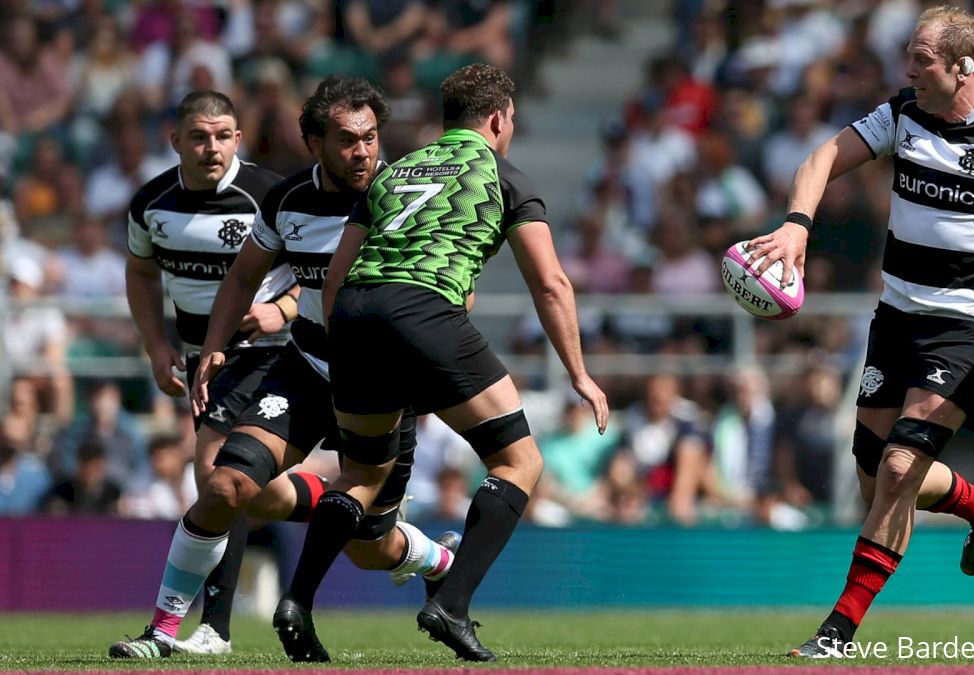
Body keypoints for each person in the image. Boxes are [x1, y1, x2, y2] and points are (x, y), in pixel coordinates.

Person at [746, 6, 974, 657]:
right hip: (895, 324)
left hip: (967, 333)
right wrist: (797, 221)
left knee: (902, 466)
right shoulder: (903, 111)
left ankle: (838, 630)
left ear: (963, 68)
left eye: (921, 59)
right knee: (877, 478)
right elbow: (823, 155)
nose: (908, 68)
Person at [282, 63, 607, 663]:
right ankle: (450, 604)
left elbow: (335, 276)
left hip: (352, 317)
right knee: (520, 460)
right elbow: (553, 285)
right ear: (499, 118)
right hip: (424, 310)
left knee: (359, 476)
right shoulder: (504, 176)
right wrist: (579, 374)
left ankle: (297, 600)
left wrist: (349, 346)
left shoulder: (395, 173)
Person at [186, 76, 458, 663]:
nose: (362, 152)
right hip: (307, 368)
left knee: (368, 547)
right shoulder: (287, 201)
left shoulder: (408, 198)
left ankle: (437, 559)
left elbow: (452, 290)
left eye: (370, 137)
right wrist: (213, 345)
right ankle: (172, 630)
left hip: (382, 388)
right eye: (345, 140)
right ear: (313, 142)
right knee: (234, 484)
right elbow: (241, 277)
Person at [114, 90, 316, 657]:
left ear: (238, 138)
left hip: (272, 351)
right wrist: (156, 345)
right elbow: (141, 272)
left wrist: (282, 308)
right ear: (175, 140)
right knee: (256, 494)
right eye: (200, 137)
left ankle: (209, 629)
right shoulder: (151, 203)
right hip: (203, 362)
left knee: (215, 474)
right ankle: (359, 511)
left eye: (224, 135)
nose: (213, 147)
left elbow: (319, 266)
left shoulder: (270, 196)